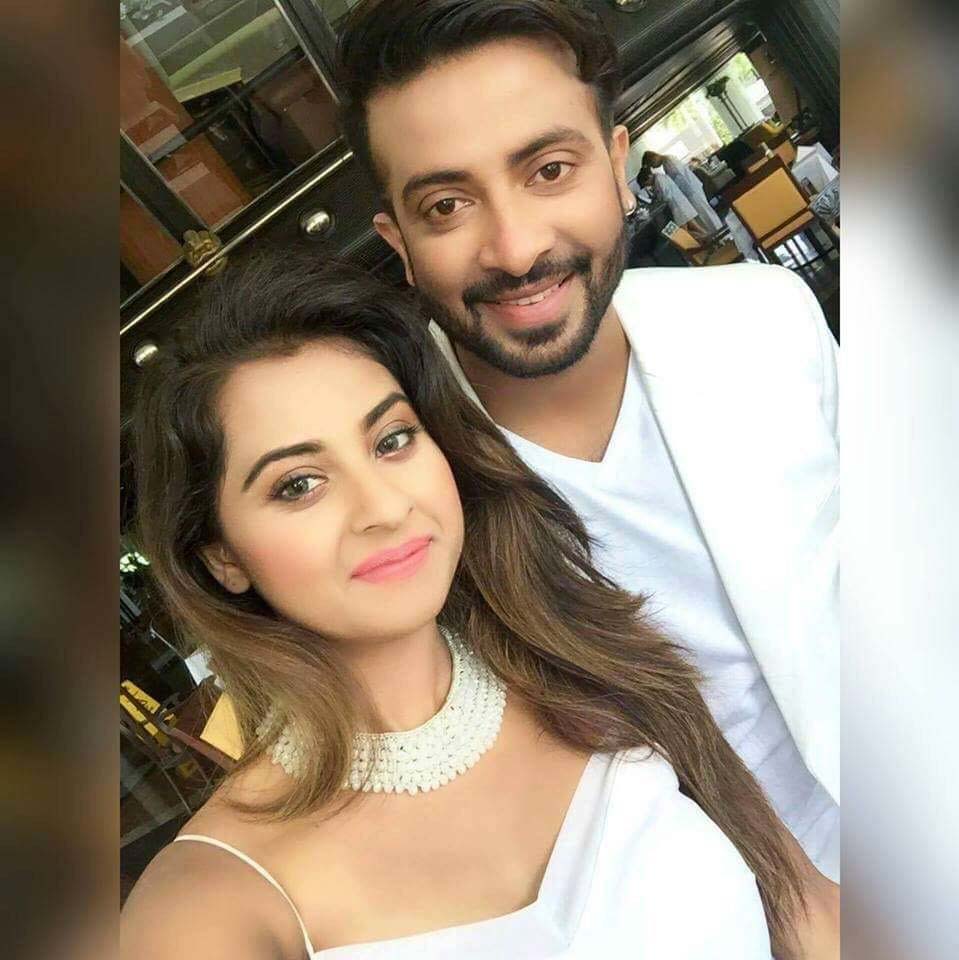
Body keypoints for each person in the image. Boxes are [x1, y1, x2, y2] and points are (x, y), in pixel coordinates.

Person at [120, 251, 812, 958]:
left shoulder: (590, 658)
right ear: (222, 556)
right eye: (299, 484)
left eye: (392, 440)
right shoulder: (209, 904)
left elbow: (809, 917)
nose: (385, 507)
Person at [335, 0, 839, 904]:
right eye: (446, 205)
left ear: (617, 164)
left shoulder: (765, 322)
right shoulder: (397, 497)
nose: (517, 247)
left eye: (549, 170)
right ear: (399, 245)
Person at [642, 149, 758, 259]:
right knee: (704, 216)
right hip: (690, 191)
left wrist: (685, 194)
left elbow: (681, 178)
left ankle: (720, 236)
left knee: (706, 215)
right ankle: (717, 237)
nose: (653, 168)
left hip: (690, 191)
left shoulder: (669, 162)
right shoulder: (667, 161)